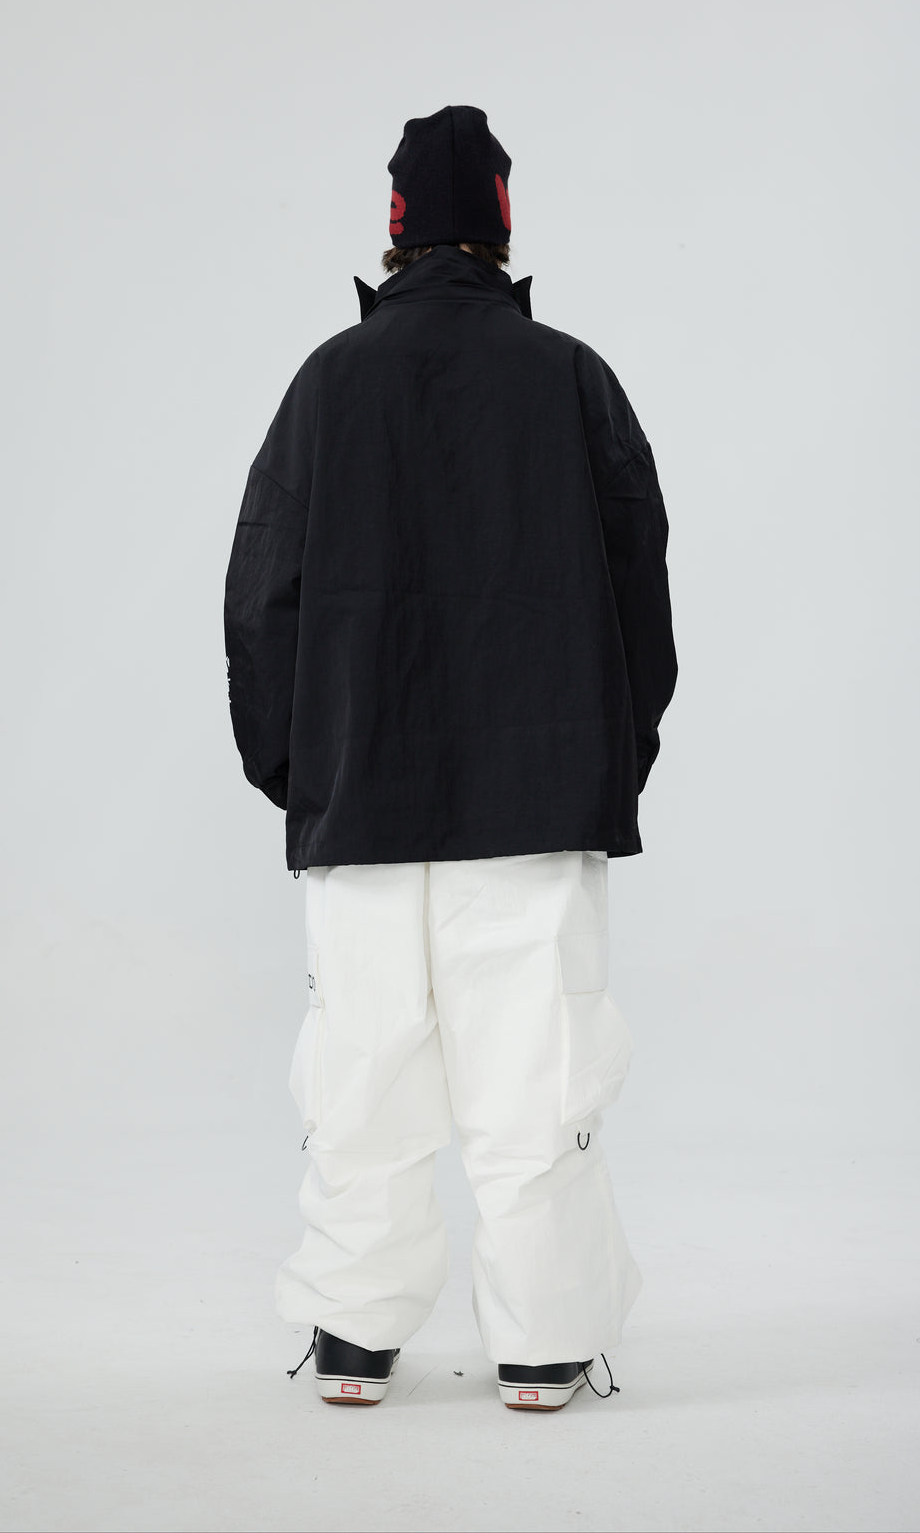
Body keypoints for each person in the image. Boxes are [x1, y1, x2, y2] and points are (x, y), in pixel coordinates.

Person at [223, 104, 678, 1411]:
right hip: (542, 791)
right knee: (535, 1071)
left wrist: (297, 768)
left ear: (396, 228)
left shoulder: (328, 383)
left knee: (361, 1069)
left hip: (359, 788)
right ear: (503, 222)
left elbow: (261, 597)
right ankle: (541, 1345)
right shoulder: (571, 378)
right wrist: (611, 756)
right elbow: (640, 595)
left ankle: (353, 1339)